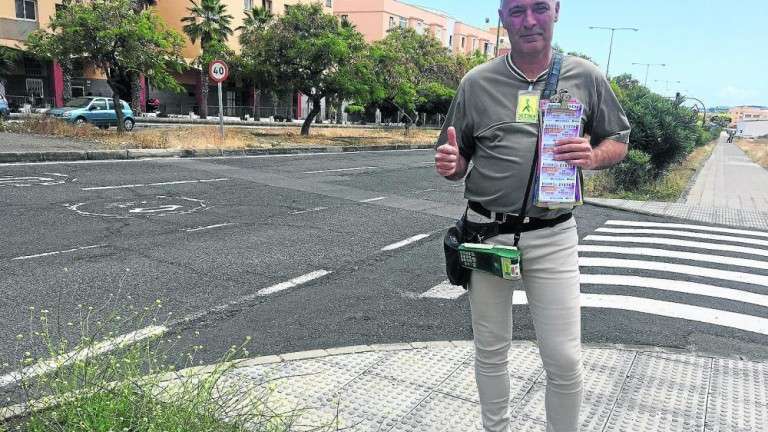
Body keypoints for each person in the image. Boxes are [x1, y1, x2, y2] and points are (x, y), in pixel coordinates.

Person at [434, 1, 631, 431]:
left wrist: (594, 155)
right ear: (502, 17)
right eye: (516, 10)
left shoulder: (586, 76)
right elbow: (460, 154)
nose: (528, 21)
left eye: (538, 8)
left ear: (557, 11)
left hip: (553, 234)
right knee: (490, 348)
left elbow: (618, 138)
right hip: (486, 234)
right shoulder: (476, 83)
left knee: (563, 357)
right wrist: (454, 165)